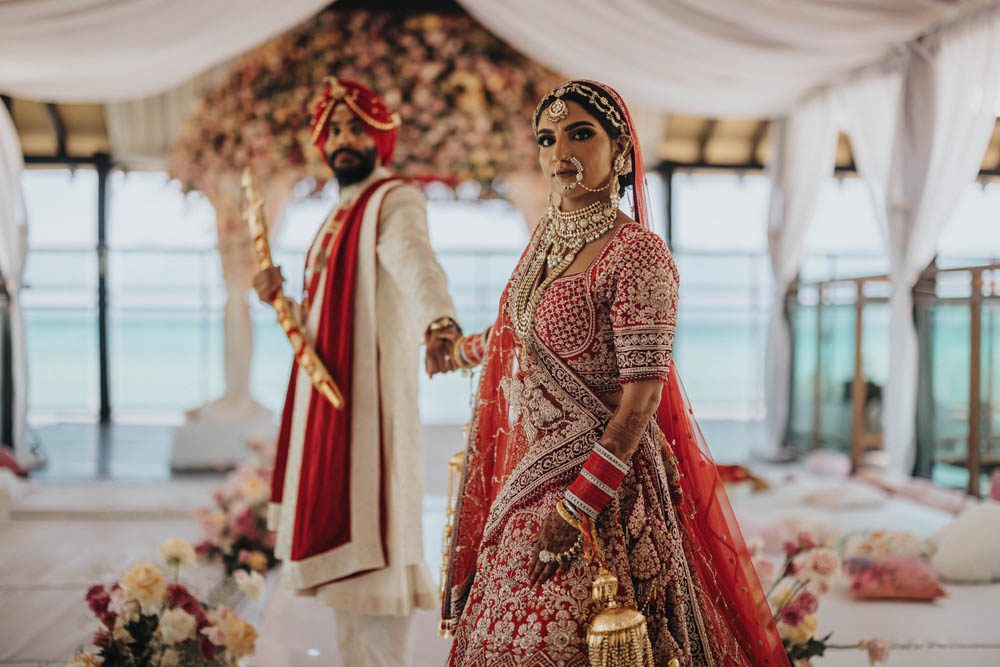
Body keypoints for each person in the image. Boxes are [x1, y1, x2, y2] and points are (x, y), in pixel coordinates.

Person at [441, 80, 788, 666]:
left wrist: (580, 506)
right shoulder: (546, 244)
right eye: (548, 139)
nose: (560, 153)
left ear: (621, 151)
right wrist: (454, 350)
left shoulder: (637, 254)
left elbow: (641, 401)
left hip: (602, 487)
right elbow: (515, 331)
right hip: (532, 479)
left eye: (581, 134)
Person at [254, 77, 460, 667]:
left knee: (376, 549)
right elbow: (320, 320)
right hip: (331, 393)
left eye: (355, 128)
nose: (343, 139)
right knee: (351, 573)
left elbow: (414, 260)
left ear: (381, 136)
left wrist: (439, 320)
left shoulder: (392, 201)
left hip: (369, 399)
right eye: (334, 130)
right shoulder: (337, 214)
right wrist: (280, 301)